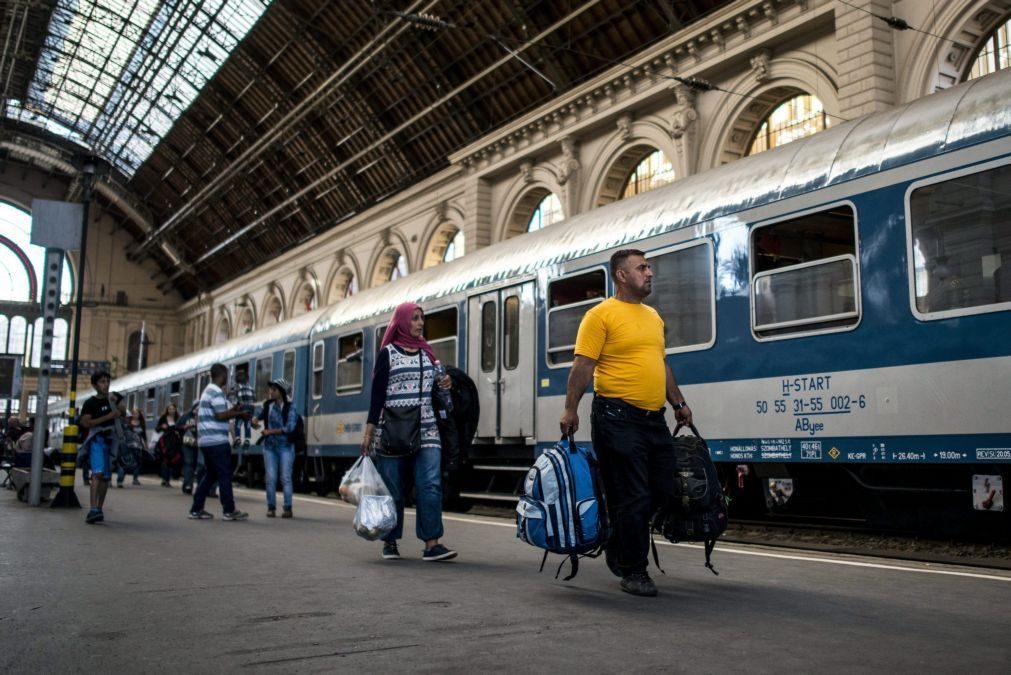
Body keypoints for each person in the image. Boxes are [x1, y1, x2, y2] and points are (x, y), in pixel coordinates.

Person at [560, 249, 693, 598]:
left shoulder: (653, 317)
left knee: (663, 489)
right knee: (633, 495)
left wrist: (677, 403)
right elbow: (583, 366)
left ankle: (619, 537)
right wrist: (570, 410)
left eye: (649, 267)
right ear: (621, 275)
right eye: (642, 268)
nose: (650, 273)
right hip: (616, 417)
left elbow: (660, 365)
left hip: (654, 419)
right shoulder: (599, 315)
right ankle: (634, 571)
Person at [360, 302, 457, 562]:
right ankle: (390, 540)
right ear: (402, 321)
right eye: (415, 318)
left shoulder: (429, 355)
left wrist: (446, 383)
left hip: (426, 427)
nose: (420, 323)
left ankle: (431, 544)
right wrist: (369, 433)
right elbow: (377, 396)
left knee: (430, 484)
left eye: (422, 319)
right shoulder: (388, 354)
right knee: (393, 487)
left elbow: (439, 390)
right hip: (392, 429)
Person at [188, 363, 251, 521]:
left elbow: (221, 413)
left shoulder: (208, 391)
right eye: (226, 376)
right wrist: (239, 414)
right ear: (221, 375)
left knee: (211, 475)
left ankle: (196, 509)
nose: (227, 379)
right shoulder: (215, 392)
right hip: (216, 441)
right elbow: (220, 415)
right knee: (224, 474)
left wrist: (235, 410)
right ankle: (229, 510)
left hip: (206, 441)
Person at [80, 371, 125, 523]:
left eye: (107, 381)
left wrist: (116, 405)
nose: (106, 384)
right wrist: (108, 417)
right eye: (102, 382)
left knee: (106, 476)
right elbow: (86, 423)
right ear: (95, 385)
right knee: (97, 474)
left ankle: (99, 508)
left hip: (112, 441)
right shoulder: (90, 403)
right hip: (97, 440)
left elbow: (123, 412)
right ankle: (93, 508)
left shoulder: (115, 397)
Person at [252, 378, 297, 518]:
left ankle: (287, 508)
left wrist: (270, 432)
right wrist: (254, 421)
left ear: (282, 392)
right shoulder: (268, 405)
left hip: (286, 447)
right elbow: (258, 417)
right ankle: (271, 507)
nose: (270, 392)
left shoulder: (291, 408)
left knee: (285, 478)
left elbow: (290, 428)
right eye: (270, 389)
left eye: (274, 390)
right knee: (271, 477)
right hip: (270, 447)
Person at [116, 408, 146, 487]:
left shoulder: (138, 424)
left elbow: (143, 435)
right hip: (125, 446)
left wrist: (144, 445)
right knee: (124, 462)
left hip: (137, 446)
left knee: (136, 462)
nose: (127, 419)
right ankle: (120, 479)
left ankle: (133, 479)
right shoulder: (124, 426)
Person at [156, 403, 183, 487]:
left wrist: (178, 431)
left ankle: (169, 477)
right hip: (165, 441)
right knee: (165, 459)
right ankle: (165, 479)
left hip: (175, 442)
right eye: (170, 409)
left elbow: (181, 428)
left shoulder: (178, 418)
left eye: (173, 409)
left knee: (173, 460)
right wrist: (161, 427)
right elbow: (157, 429)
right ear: (167, 410)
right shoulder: (163, 418)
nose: (171, 410)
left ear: (175, 410)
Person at [233, 370, 255, 449]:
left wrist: (236, 405)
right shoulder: (251, 388)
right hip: (251, 408)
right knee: (247, 424)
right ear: (247, 380)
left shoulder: (237, 387)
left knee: (238, 423)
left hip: (242, 407)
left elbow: (236, 398)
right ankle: (247, 440)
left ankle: (238, 438)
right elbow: (254, 397)